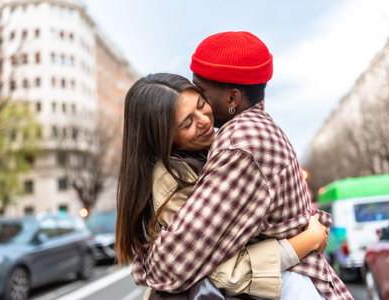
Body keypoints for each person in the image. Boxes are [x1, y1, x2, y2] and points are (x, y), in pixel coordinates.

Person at [131, 32, 353, 300]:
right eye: (187, 122)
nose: (204, 119)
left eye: (202, 97)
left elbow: (170, 265)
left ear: (233, 99)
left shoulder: (240, 145)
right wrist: (301, 243)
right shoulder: (253, 130)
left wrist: (147, 263)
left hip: (291, 287)